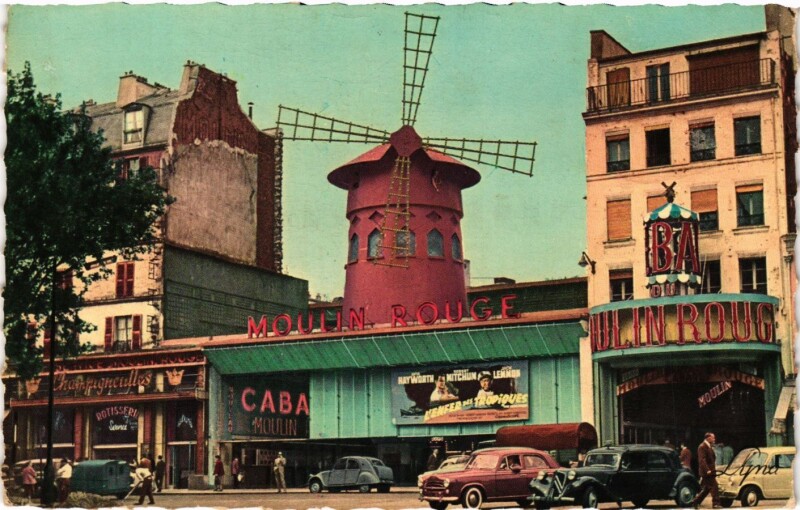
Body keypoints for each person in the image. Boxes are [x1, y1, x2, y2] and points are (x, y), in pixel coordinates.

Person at [691, 432, 721, 508]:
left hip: (710, 471)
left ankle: (695, 501)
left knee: (707, 488)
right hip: (707, 472)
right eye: (713, 438)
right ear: (708, 438)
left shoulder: (709, 446)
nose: (714, 439)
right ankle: (716, 503)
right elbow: (702, 460)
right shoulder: (702, 447)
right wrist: (707, 470)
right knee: (714, 487)